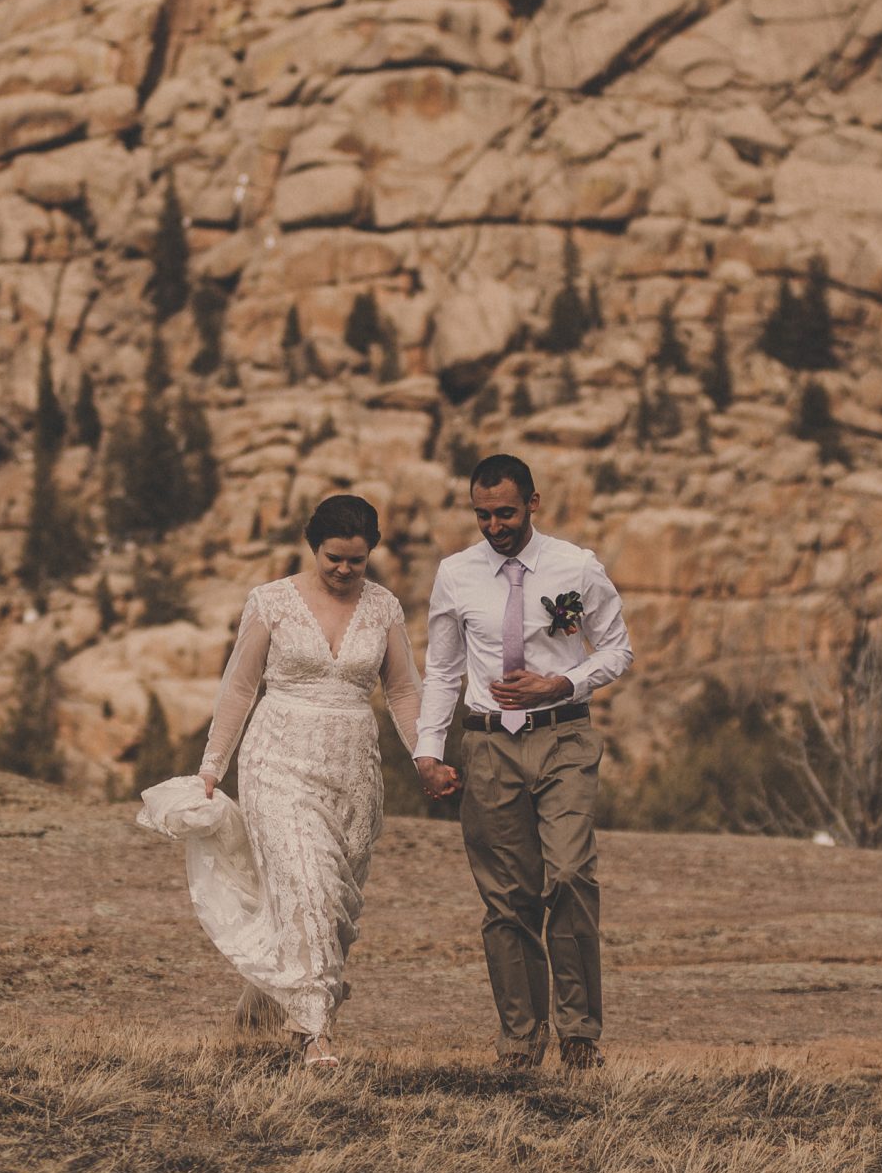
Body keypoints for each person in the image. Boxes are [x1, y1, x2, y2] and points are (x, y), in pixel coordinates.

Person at [414, 454, 634, 1072]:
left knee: (567, 876)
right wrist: (428, 753)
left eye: (505, 512)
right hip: (488, 745)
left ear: (533, 502)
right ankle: (520, 1041)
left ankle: (580, 1033)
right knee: (507, 897)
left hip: (563, 738)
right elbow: (443, 670)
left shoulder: (576, 567)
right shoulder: (456, 574)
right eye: (482, 515)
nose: (494, 525)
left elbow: (617, 650)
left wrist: (561, 683)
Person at [189, 493, 421, 1069]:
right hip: (278, 759)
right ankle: (315, 1033)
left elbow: (403, 690)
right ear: (313, 547)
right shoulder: (270, 602)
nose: (344, 570)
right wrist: (212, 765)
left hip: (353, 767)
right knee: (305, 885)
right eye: (334, 558)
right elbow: (240, 688)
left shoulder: (384, 607)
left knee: (335, 904)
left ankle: (257, 1015)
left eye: (356, 561)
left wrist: (427, 758)